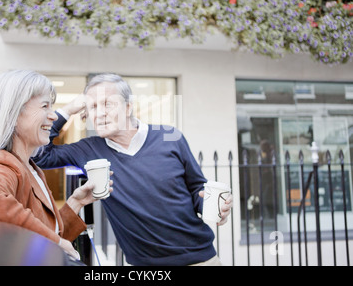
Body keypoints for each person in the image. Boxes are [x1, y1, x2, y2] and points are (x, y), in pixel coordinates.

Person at [34, 73, 233, 266]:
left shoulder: (170, 137)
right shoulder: (89, 149)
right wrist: (68, 109)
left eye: (108, 104)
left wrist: (214, 206)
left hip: (202, 259)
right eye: (93, 107)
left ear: (128, 107)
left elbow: (197, 188)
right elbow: (39, 155)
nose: (100, 113)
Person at [0, 70, 111, 260]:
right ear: (13, 114)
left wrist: (76, 202)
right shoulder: (4, 167)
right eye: (45, 106)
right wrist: (55, 242)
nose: (53, 116)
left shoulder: (30, 167)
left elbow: (45, 233)